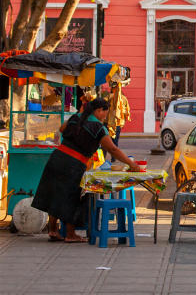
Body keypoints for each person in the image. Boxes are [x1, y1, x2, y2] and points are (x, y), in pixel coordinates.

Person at [32, 98, 139, 242]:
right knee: (73, 198)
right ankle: (70, 235)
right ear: (99, 110)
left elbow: (62, 129)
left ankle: (53, 230)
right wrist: (131, 163)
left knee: (55, 193)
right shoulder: (98, 128)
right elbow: (113, 149)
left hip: (57, 158)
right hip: (74, 164)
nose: (104, 117)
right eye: (105, 114)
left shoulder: (77, 117)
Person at [106, 80, 131, 159]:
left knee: (106, 142)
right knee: (115, 141)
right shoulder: (124, 98)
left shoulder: (109, 97)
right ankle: (114, 158)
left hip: (109, 123)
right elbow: (127, 111)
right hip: (118, 123)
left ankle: (103, 158)